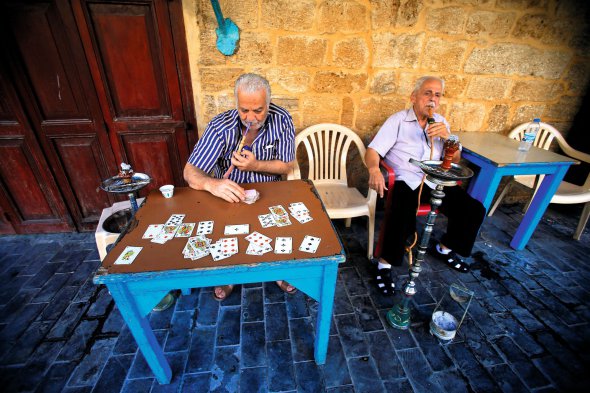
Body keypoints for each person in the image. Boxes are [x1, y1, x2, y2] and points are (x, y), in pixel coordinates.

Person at [365, 76, 485, 295]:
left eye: (437, 95)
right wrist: (374, 169)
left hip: (435, 179)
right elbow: (373, 151)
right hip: (406, 179)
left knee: (473, 209)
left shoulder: (441, 123)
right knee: (402, 212)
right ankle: (384, 265)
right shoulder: (398, 121)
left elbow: (455, 159)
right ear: (414, 97)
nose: (432, 99)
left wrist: (448, 138)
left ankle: (446, 248)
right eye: (427, 93)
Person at [184, 73, 297, 301]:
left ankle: (277, 269)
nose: (250, 118)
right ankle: (228, 275)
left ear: (268, 104)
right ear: (236, 104)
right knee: (227, 234)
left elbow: (286, 165)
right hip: (228, 193)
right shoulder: (220, 126)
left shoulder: (282, 119)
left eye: (258, 110)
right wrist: (211, 184)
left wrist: (255, 165)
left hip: (269, 192)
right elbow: (190, 172)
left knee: (275, 228)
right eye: (244, 110)